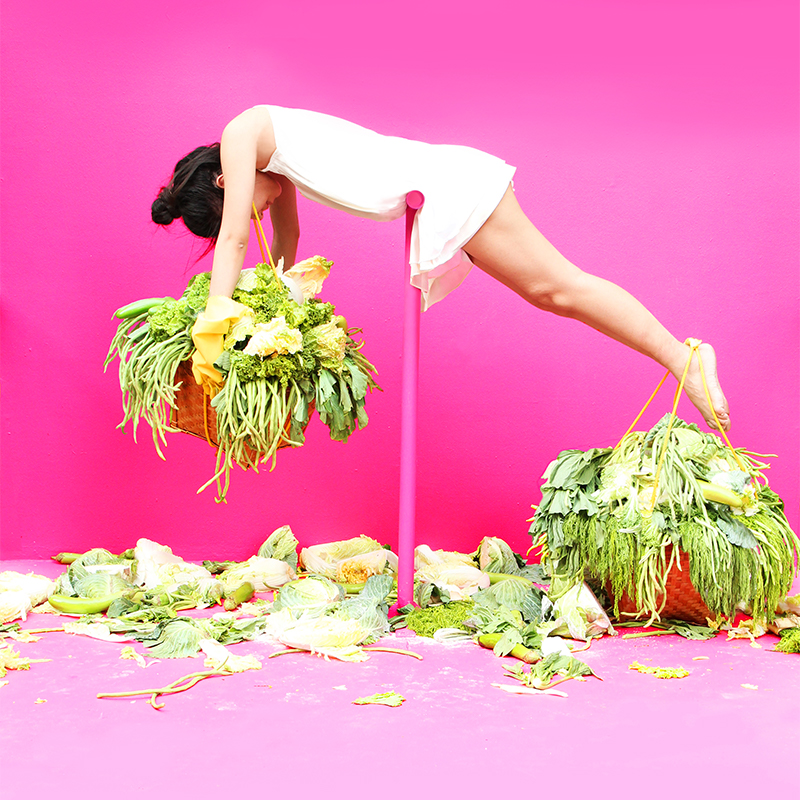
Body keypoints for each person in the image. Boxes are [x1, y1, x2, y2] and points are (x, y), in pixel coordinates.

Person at [151, 104, 730, 431]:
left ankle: (683, 358)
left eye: (246, 207)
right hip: (438, 188)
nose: (256, 214)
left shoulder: (242, 134)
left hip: (448, 185)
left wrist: (213, 328)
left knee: (558, 288)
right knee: (550, 293)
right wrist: (267, 312)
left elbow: (235, 240)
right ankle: (680, 359)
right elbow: (288, 240)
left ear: (225, 182)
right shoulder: (269, 160)